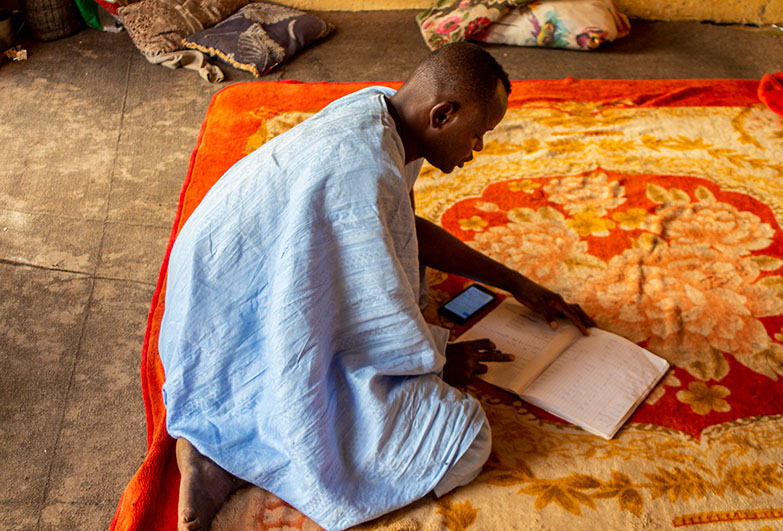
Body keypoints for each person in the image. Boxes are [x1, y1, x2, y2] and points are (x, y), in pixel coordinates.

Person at [160, 42, 595, 531]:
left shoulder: (379, 111)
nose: (477, 151)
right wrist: (441, 360)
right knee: (463, 439)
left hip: (212, 306)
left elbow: (401, 225)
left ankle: (223, 447)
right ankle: (231, 453)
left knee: (416, 289)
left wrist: (516, 282)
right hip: (231, 340)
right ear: (443, 115)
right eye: (477, 135)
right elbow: (371, 316)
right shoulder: (366, 168)